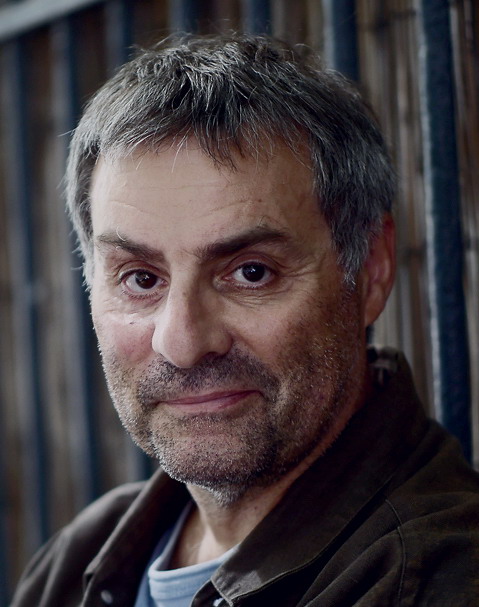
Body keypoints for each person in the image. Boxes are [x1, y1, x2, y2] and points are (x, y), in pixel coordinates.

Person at [11, 33, 479, 607]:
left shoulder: (438, 579)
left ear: (371, 268)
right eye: (141, 279)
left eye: (251, 272)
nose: (183, 342)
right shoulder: (77, 561)